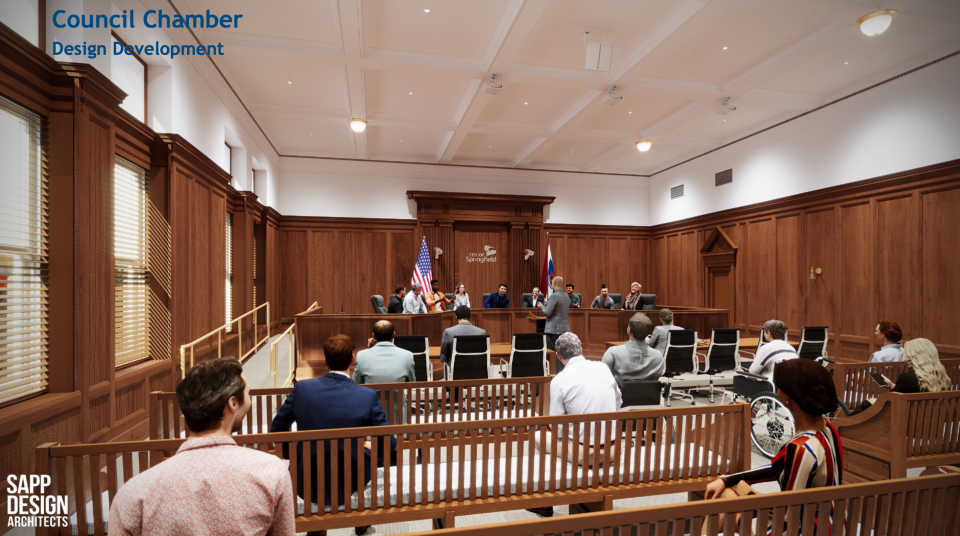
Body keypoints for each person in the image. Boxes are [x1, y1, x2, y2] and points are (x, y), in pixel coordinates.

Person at [109, 358, 295, 536]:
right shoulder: (271, 473)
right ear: (233, 403)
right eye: (248, 394)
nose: (249, 400)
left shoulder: (132, 494)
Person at [271, 335, 395, 536]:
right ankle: (361, 526)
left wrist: (294, 454)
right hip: (352, 476)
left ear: (325, 360)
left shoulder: (302, 389)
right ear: (353, 358)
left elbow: (276, 430)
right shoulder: (367, 395)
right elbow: (389, 441)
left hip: (307, 477)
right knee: (365, 457)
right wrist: (372, 447)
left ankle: (317, 530)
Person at [703, 359, 842, 533]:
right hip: (829, 521)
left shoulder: (800, 448)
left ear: (788, 398)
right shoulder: (828, 430)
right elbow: (778, 466)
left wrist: (750, 495)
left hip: (800, 528)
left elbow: (787, 517)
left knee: (724, 500)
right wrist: (728, 479)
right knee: (728, 490)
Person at [528, 332, 621, 518]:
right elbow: (618, 403)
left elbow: (556, 427)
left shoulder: (559, 380)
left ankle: (544, 501)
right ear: (582, 349)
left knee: (538, 436)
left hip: (584, 454)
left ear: (558, 356)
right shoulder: (602, 368)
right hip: (613, 450)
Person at [851, 338, 951, 415]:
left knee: (867, 403)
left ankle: (841, 429)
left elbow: (889, 405)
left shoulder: (907, 378)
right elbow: (913, 391)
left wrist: (875, 403)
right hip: (930, 426)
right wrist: (892, 385)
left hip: (905, 426)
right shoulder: (943, 378)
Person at [354, 320, 417, 424]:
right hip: (398, 421)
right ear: (394, 334)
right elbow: (412, 383)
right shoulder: (407, 355)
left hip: (372, 419)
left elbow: (356, 384)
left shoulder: (361, 355)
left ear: (373, 336)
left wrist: (370, 349)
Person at [602, 313, 664, 382]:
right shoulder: (659, 356)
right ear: (649, 333)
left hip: (621, 392)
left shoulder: (612, 352)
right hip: (648, 393)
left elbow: (602, 379)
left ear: (629, 330)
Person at [540, 276, 570, 371]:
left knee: (553, 353)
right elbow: (559, 311)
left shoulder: (554, 296)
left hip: (553, 330)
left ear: (554, 283)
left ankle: (555, 373)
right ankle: (562, 372)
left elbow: (548, 313)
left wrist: (542, 307)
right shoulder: (566, 296)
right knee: (562, 353)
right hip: (564, 330)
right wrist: (548, 306)